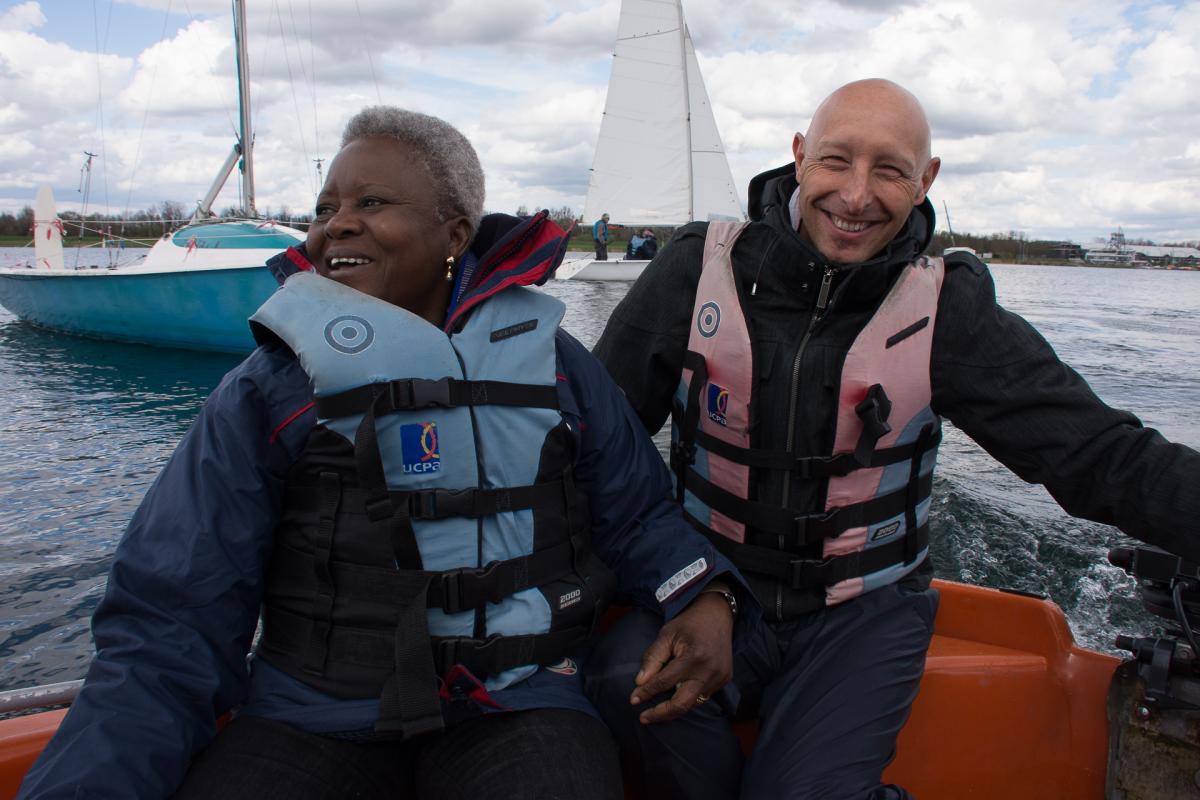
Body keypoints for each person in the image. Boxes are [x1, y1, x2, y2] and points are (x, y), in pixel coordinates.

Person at [17, 107, 755, 800]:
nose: (336, 224)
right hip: (311, 715)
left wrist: (705, 594)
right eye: (324, 208)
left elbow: (637, 515)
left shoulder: (557, 368)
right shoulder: (268, 389)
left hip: (519, 703)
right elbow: (171, 618)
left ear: (455, 233)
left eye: (371, 203)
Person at [584, 77, 1200, 799]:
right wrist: (696, 583)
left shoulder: (949, 306)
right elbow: (597, 452)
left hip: (864, 613)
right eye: (836, 160)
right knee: (622, 680)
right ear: (799, 156)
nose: (855, 196)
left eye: (889, 170)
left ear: (925, 180)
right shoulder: (696, 268)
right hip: (712, 584)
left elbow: (1101, 455)